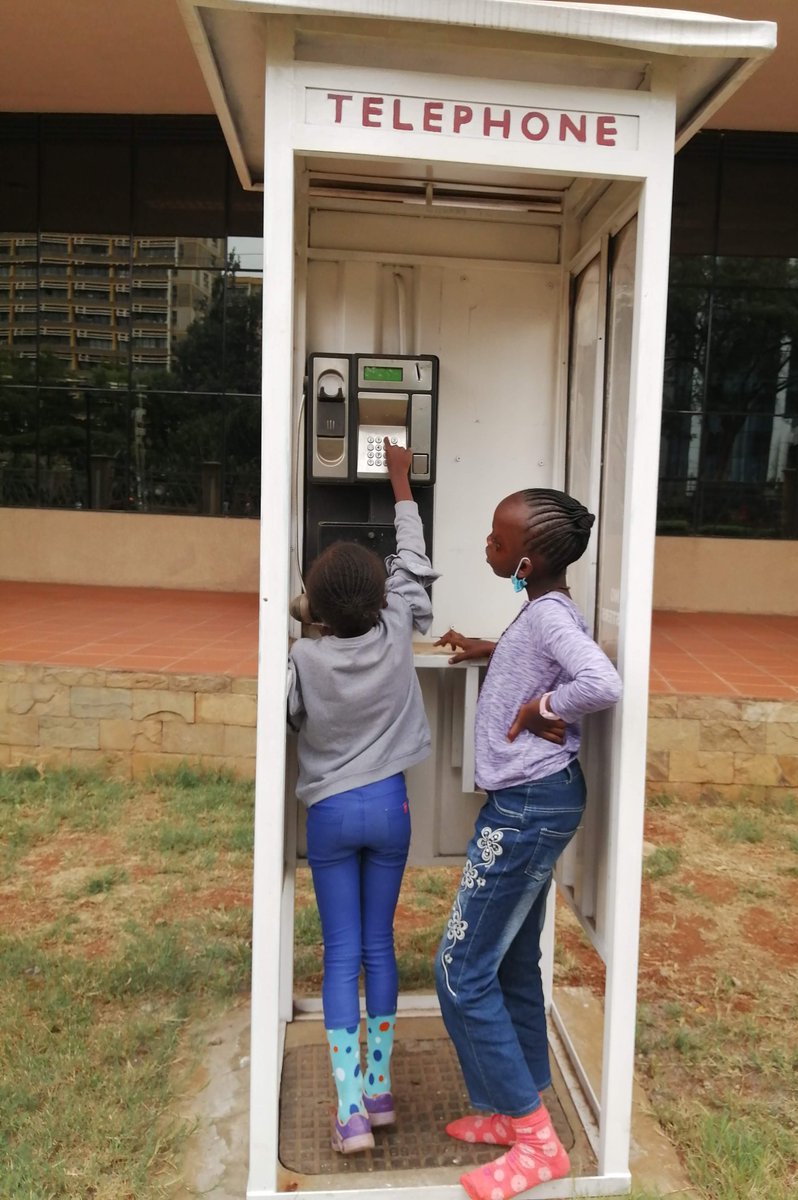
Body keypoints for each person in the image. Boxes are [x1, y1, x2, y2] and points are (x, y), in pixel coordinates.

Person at [432, 487, 622, 1200]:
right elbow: (541, 652)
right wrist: (494, 649)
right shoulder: (543, 608)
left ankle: (538, 1142)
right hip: (531, 805)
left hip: (526, 812)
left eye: (498, 540)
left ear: (527, 561)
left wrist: (544, 705)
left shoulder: (548, 615)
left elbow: (600, 681)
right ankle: (515, 1110)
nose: (488, 545)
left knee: (459, 971)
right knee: (511, 962)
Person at [287, 438, 437, 1155]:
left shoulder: (304, 656)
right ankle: (380, 1091)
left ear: (314, 607)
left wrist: (305, 617)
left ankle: (349, 1113)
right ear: (381, 599)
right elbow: (413, 560)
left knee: (340, 952)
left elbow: (289, 715)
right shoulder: (399, 624)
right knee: (381, 945)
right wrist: (401, 481)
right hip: (390, 809)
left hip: (330, 814)